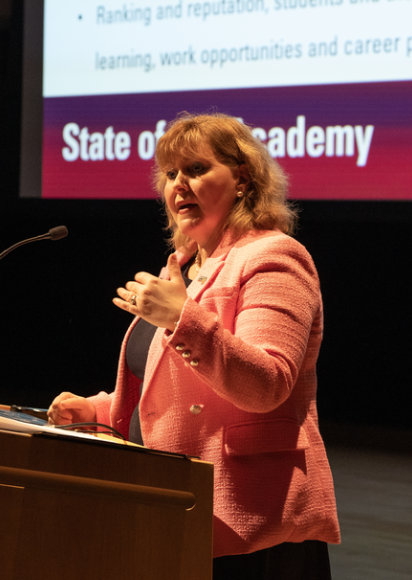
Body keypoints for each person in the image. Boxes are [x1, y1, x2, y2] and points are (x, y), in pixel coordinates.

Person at [47, 112, 340, 579]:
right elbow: (177, 393)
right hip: (173, 504)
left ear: (242, 178)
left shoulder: (275, 256)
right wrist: (100, 411)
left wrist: (181, 318)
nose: (178, 184)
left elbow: (268, 384)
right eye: (170, 174)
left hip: (250, 522)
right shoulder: (183, 268)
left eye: (196, 169)